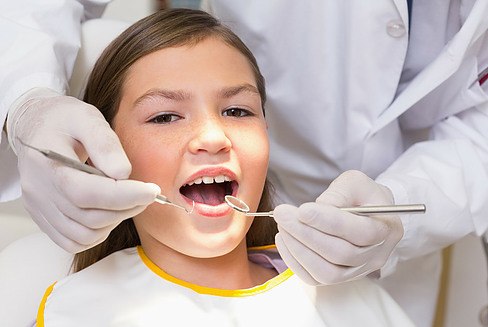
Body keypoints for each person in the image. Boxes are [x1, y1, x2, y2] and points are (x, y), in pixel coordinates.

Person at [35, 9, 413, 326]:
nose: (214, 137)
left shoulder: (354, 303)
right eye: (165, 117)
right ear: (101, 153)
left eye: (237, 111)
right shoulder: (80, 311)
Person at [200, 1, 488, 326]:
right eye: (164, 118)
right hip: (281, 185)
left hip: (405, 250)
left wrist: (397, 207)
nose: (209, 141)